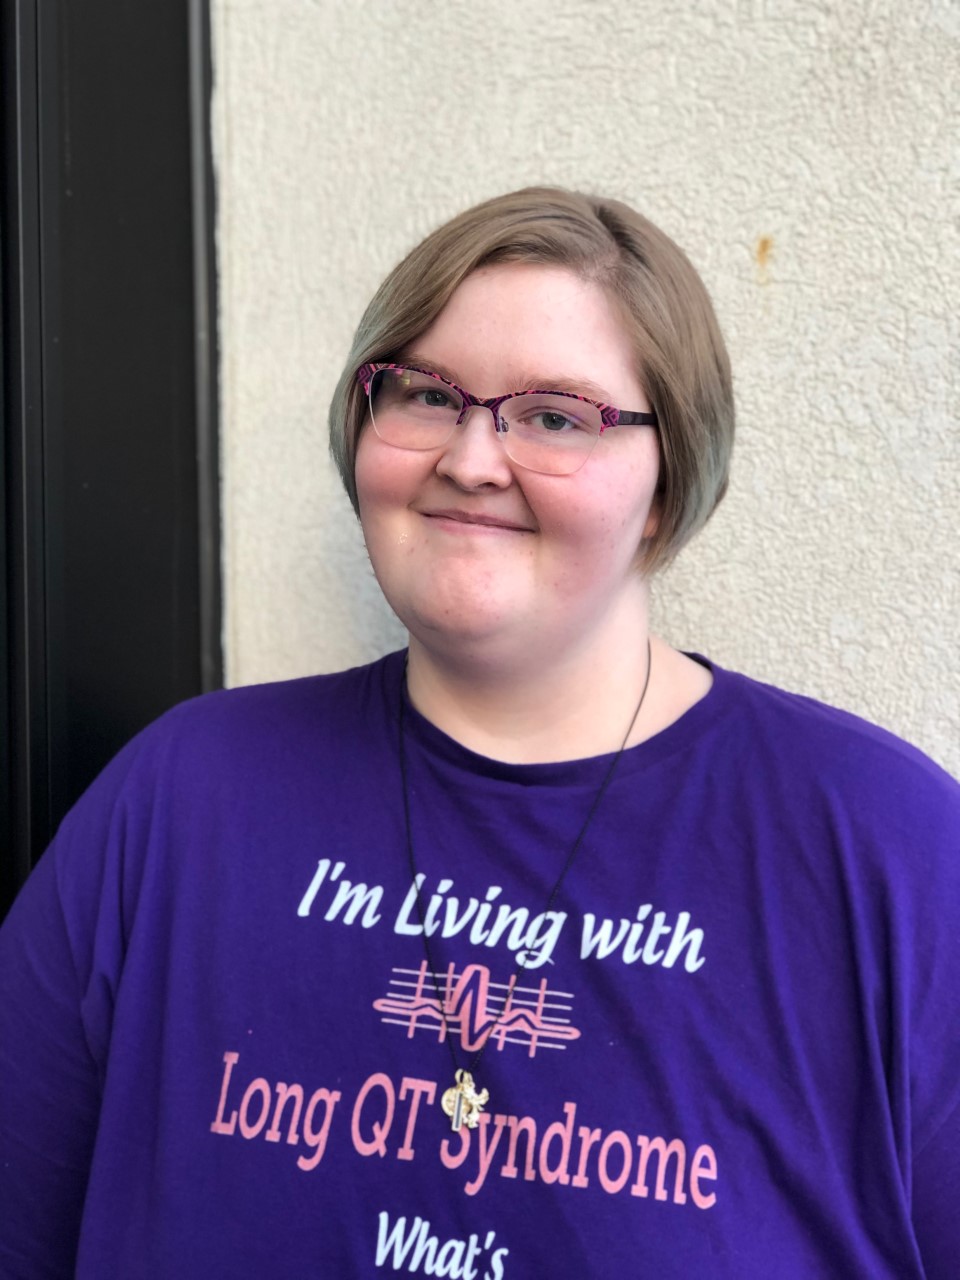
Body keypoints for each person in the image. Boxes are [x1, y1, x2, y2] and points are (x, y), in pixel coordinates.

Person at [1, 187, 957, 1278]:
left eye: (556, 414)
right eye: (424, 394)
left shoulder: (883, 848)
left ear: (666, 483)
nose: (471, 456)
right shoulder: (178, 800)